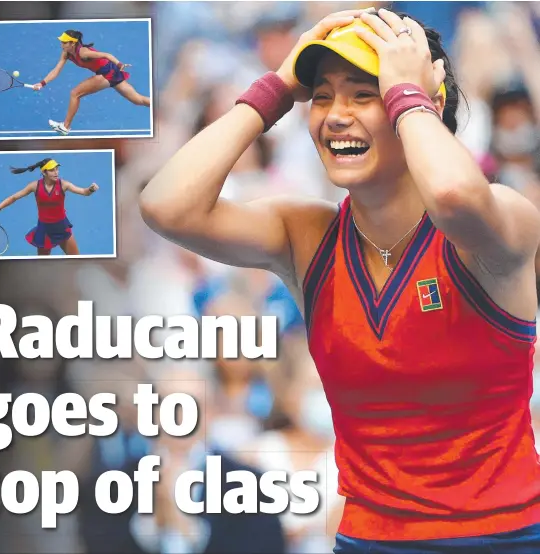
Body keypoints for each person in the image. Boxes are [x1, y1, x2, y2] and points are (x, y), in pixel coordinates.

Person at [139, 6, 540, 553]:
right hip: (367, 540)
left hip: (508, 538)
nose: (334, 115)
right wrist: (277, 88)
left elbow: (452, 194)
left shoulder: (502, 217)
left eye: (363, 93)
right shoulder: (306, 234)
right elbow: (166, 206)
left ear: (421, 100)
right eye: (322, 95)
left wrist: (410, 93)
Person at [33, 30, 150, 135]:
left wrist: (119, 64)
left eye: (64, 42)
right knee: (138, 100)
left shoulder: (83, 52)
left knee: (75, 93)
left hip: (107, 74)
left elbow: (106, 55)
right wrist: (42, 83)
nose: (61, 44)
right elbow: (57, 69)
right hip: (111, 73)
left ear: (72, 43)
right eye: (61, 42)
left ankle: (65, 126)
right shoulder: (66, 53)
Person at [0, 158, 99, 256]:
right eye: (51, 170)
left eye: (57, 169)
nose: (56, 172)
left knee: (77, 261)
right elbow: (14, 197)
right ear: (44, 172)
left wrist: (90, 189)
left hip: (62, 228)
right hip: (45, 231)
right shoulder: (34, 186)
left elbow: (84, 192)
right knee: (42, 265)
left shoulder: (64, 184)